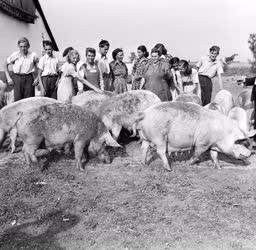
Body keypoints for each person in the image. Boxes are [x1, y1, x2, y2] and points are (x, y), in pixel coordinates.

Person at [4, 37, 39, 102]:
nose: (23, 48)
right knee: (18, 101)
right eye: (21, 46)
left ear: (28, 46)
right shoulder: (15, 55)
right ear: (18, 46)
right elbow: (5, 65)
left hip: (29, 78)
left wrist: (37, 78)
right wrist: (8, 78)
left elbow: (40, 67)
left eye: (25, 46)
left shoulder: (33, 55)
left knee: (29, 101)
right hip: (17, 79)